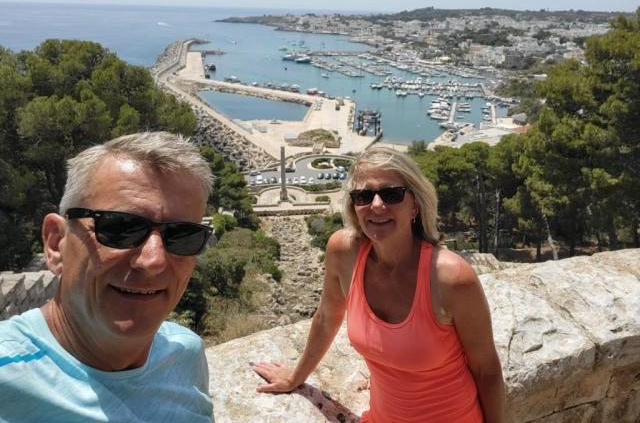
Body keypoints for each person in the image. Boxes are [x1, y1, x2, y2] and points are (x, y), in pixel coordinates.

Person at [252, 147, 505, 422]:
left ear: (415, 205)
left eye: (391, 194)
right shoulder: (343, 252)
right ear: (353, 206)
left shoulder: (451, 277)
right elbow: (325, 318)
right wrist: (294, 377)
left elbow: (487, 370)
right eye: (363, 196)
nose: (376, 205)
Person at [0, 132, 215, 422]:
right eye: (120, 228)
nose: (153, 261)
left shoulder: (185, 352)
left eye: (183, 236)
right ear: (56, 243)